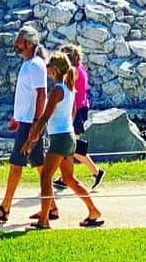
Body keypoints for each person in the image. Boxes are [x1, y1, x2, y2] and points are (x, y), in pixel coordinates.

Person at [24, 52, 103, 229]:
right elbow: (72, 112)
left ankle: (44, 219)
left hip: (60, 139)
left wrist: (31, 138)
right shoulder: (69, 89)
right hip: (68, 137)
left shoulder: (57, 90)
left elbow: (45, 116)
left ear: (53, 70)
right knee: (69, 179)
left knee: (46, 177)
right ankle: (93, 210)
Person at [0, 24, 47, 223]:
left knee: (16, 164)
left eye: (18, 40)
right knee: (41, 166)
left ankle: (5, 207)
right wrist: (17, 117)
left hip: (30, 123)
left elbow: (41, 95)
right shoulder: (30, 64)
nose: (15, 44)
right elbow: (29, 95)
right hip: (26, 121)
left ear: (27, 43)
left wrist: (35, 123)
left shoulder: (34, 65)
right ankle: (51, 206)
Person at [55, 44, 104, 190]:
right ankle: (66, 177)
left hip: (75, 111)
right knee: (72, 145)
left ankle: (94, 172)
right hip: (81, 109)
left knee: (73, 146)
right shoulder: (80, 68)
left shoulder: (72, 71)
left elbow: (69, 93)